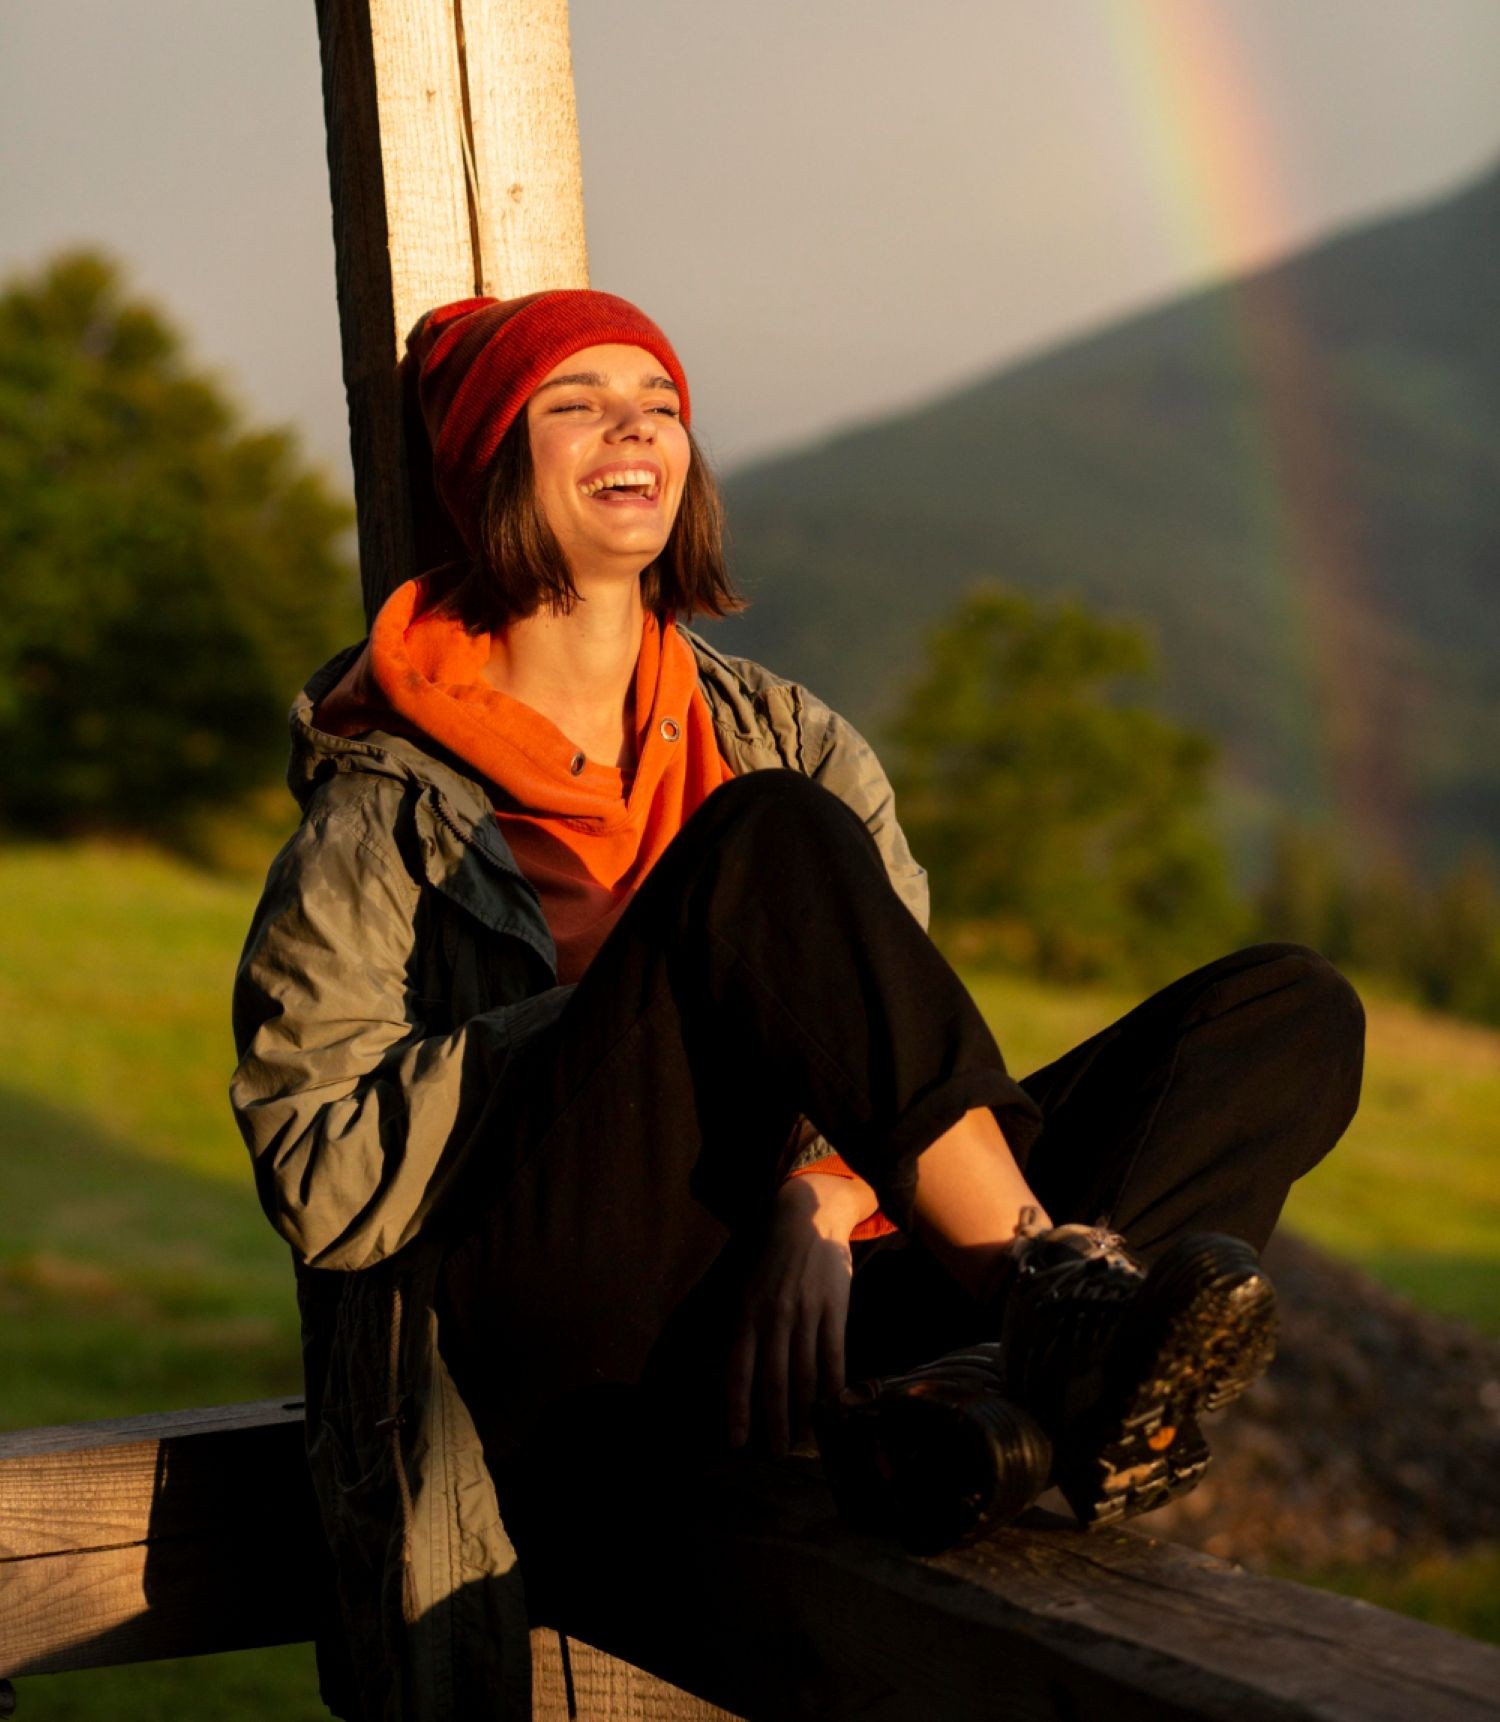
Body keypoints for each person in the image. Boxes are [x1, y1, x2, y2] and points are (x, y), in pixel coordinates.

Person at [230, 289, 1365, 1720]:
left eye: (658, 401)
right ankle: (1047, 1316)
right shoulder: (380, 807)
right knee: (759, 842)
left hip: (810, 1308)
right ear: (490, 467)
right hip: (574, 1347)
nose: (633, 426)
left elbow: (880, 1032)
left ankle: (986, 1403)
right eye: (576, 402)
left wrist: (823, 1195)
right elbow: (321, 1175)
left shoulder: (794, 736)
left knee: (1288, 1011)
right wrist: (633, 1002)